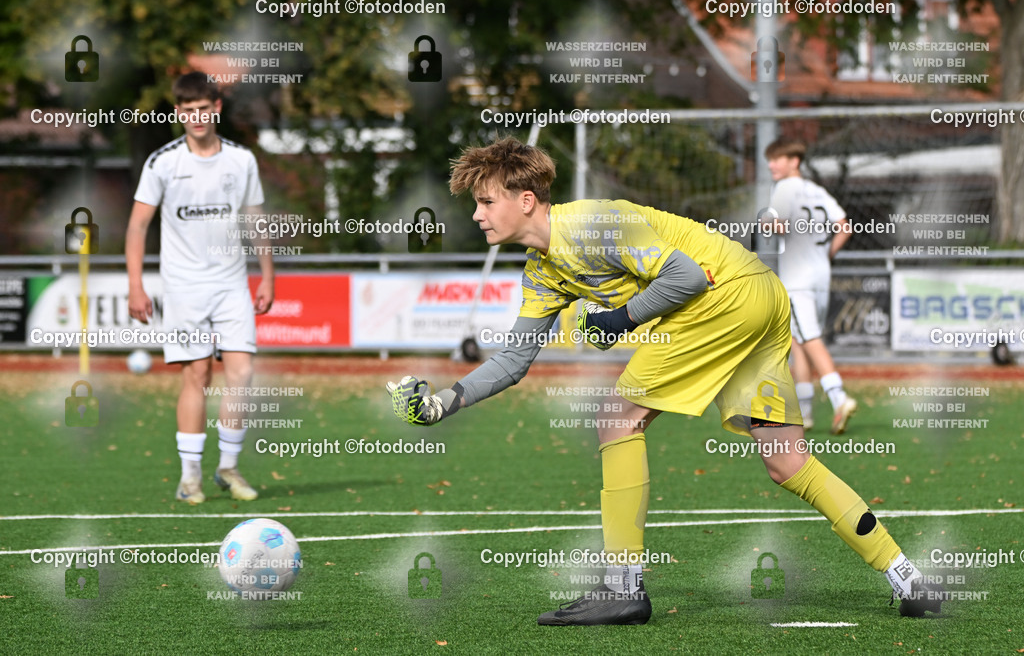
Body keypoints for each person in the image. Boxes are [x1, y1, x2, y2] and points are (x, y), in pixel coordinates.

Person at [387, 137, 943, 625]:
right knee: (786, 460)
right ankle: (908, 577)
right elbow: (513, 360)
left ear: (525, 200)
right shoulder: (543, 271)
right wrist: (440, 405)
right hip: (763, 296)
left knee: (615, 421)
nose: (479, 214)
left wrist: (619, 319)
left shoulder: (593, 223)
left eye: (487, 201)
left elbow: (685, 277)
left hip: (723, 298)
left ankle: (624, 589)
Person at [125, 72, 274, 504]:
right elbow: (137, 226)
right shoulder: (163, 162)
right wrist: (136, 286)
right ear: (178, 113)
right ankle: (189, 475)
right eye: (187, 111)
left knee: (242, 373)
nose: (196, 118)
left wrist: (267, 274)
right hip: (185, 288)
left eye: (203, 109)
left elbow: (255, 219)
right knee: (199, 374)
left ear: (217, 108)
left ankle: (228, 467)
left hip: (232, 284)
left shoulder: (241, 160)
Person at [765, 138, 857, 434]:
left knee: (810, 338)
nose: (771, 165)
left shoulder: (784, 188)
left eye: (778, 158)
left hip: (797, 280)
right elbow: (845, 227)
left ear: (795, 161)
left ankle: (839, 398)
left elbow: (778, 225)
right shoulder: (817, 190)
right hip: (820, 275)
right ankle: (804, 413)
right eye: (770, 159)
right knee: (798, 341)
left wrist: (766, 223)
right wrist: (825, 256)